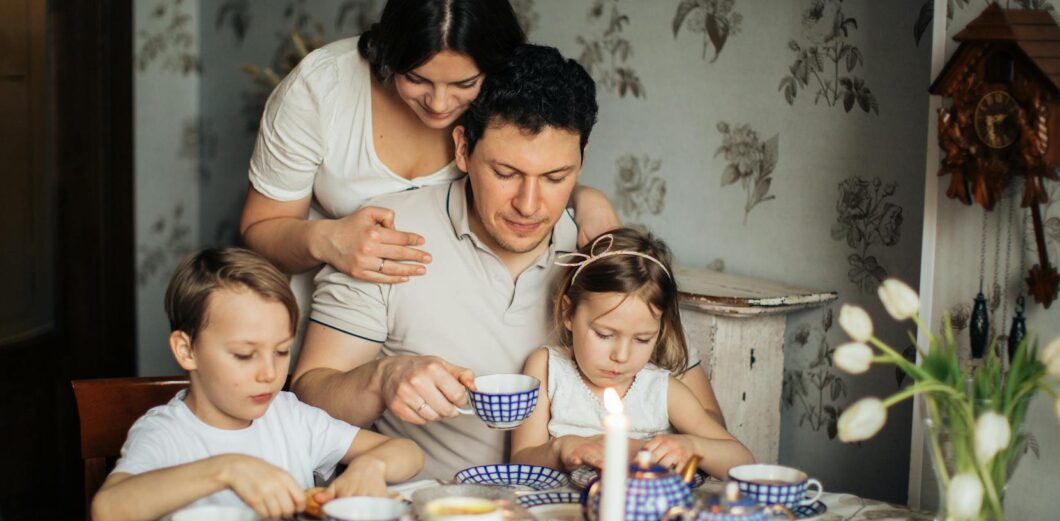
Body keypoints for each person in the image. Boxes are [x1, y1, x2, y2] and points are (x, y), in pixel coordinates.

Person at [292, 44, 717, 481]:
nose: (529, 205)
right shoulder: (388, 233)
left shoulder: (601, 251)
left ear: (582, 159)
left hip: (578, 516)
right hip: (435, 510)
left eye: (555, 178)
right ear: (463, 149)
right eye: (505, 173)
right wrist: (381, 379)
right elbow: (309, 398)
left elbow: (710, 431)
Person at [241, 0, 618, 291]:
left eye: (463, 84)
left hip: (444, 319)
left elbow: (528, 165)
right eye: (416, 78)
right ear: (389, 55)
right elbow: (261, 228)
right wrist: (325, 239)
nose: (438, 104)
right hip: (333, 316)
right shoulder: (321, 90)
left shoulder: (496, 102)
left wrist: (582, 197)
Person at [90, 248, 423, 521]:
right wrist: (225, 469)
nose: (269, 373)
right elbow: (107, 511)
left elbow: (406, 452)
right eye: (245, 355)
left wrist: (371, 465)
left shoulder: (291, 418)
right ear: (186, 350)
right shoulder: (167, 433)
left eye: (281, 352)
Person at [509, 229, 754, 477]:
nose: (621, 356)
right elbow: (520, 460)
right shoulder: (547, 368)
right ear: (568, 313)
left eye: (642, 339)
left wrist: (692, 446)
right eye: (604, 335)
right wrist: (559, 449)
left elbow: (744, 463)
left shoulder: (662, 390)